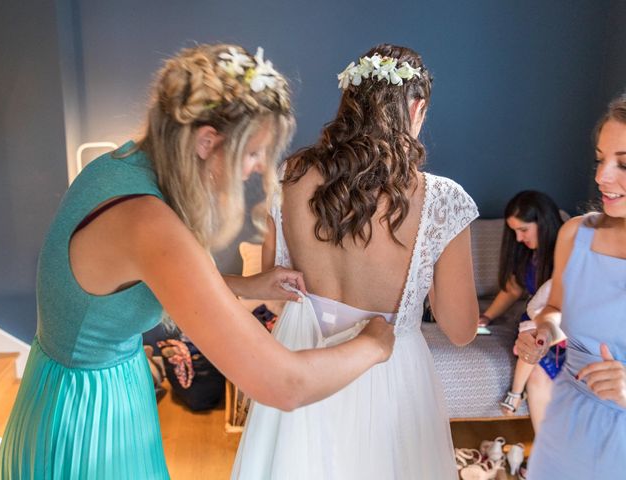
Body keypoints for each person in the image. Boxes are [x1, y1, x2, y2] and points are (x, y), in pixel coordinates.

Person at [0, 44, 395, 479]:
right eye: (252, 152)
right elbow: (283, 384)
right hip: (85, 419)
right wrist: (374, 344)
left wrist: (247, 286)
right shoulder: (150, 224)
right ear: (207, 141)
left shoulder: (122, 163)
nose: (257, 167)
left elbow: (137, 283)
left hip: (75, 382)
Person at [232, 44, 479, 479]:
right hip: (389, 372)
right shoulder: (441, 199)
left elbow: (275, 293)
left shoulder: (290, 176)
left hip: (304, 361)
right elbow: (459, 331)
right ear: (417, 108)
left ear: (349, 104)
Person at [516, 94, 626, 479]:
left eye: (623, 164)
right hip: (565, 425)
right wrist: (544, 333)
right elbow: (554, 309)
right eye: (600, 159)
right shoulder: (575, 234)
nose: (602, 177)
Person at [478, 191, 565, 430]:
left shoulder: (567, 250)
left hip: (561, 328)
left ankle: (517, 396)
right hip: (537, 326)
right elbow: (512, 289)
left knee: (538, 372)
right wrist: (486, 317)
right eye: (514, 231)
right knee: (537, 374)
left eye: (523, 230)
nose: (518, 238)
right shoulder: (529, 254)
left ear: (543, 223)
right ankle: (543, 459)